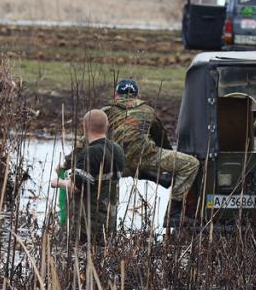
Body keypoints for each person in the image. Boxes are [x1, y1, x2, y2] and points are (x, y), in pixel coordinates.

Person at [103, 79, 199, 215]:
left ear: (115, 94)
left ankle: (106, 217)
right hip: (144, 158)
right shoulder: (147, 111)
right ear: (138, 95)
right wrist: (169, 166)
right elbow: (161, 138)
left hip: (116, 164)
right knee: (191, 164)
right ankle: (174, 211)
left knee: (104, 178)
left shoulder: (105, 111)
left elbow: (90, 138)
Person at [51, 109, 125, 242]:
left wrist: (58, 182)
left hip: (87, 225)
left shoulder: (89, 154)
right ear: (107, 126)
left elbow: (76, 187)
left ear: (84, 127)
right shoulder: (118, 150)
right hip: (109, 223)